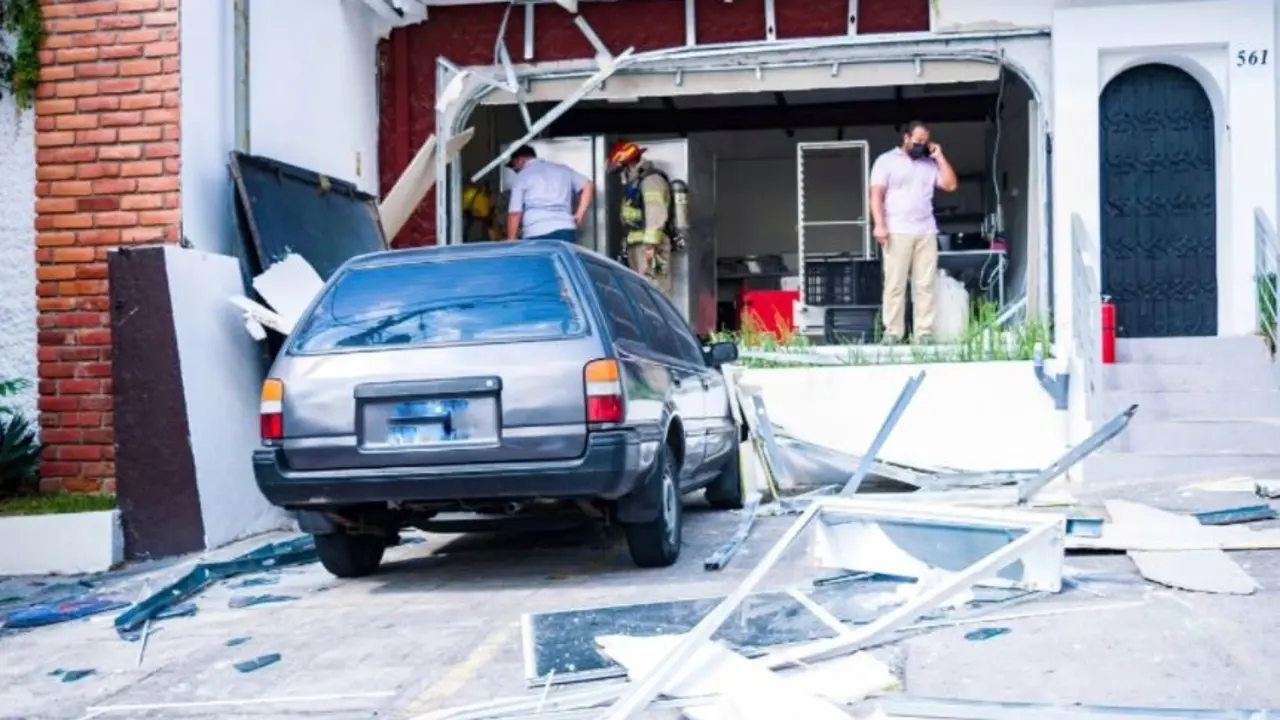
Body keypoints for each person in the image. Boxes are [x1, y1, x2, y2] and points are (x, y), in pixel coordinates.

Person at [869, 120, 958, 345]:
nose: (921, 145)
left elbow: (950, 185)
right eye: (918, 141)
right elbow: (876, 194)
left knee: (925, 284)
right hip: (897, 230)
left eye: (925, 142)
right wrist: (879, 224)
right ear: (906, 138)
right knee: (895, 284)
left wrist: (939, 157)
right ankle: (893, 332)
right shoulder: (886, 161)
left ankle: (924, 332)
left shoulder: (929, 164)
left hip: (926, 231)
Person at [607, 140, 674, 298]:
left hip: (650, 248)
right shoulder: (636, 183)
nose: (621, 175)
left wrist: (651, 247)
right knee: (641, 294)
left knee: (655, 292)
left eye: (621, 169)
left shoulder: (650, 181)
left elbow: (655, 213)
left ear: (629, 164)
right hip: (638, 246)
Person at [505, 145, 595, 242]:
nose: (515, 170)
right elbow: (588, 185)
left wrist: (511, 240)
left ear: (519, 160)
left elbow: (515, 213)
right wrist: (579, 215)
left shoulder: (522, 176)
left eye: (514, 167)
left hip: (535, 231)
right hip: (564, 229)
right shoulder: (562, 169)